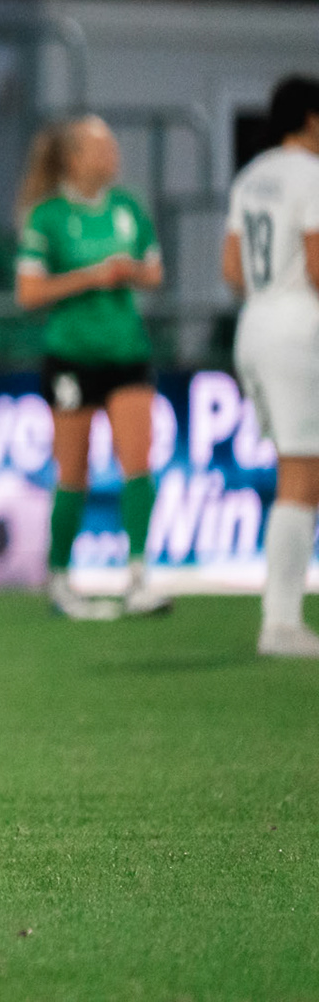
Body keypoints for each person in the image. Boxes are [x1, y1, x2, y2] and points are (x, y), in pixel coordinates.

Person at [14, 114, 168, 619]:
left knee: (137, 460)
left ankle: (139, 576)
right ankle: (59, 578)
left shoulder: (128, 208)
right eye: (102, 149)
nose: (113, 157)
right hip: (72, 357)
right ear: (75, 157)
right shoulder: (48, 217)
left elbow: (154, 272)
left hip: (126, 350)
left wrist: (131, 274)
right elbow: (30, 292)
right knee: (73, 470)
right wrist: (90, 277)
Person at [223, 75, 319, 658]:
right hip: (298, 326)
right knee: (301, 476)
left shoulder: (251, 175)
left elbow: (232, 268)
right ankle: (281, 622)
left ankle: (282, 618)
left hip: (255, 322)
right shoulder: (311, 174)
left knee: (300, 472)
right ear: (310, 120)